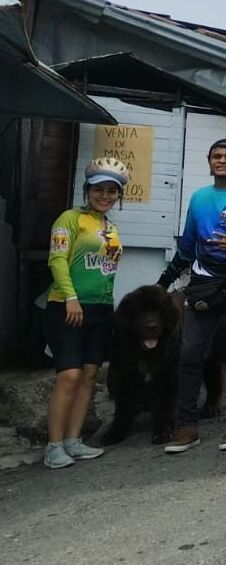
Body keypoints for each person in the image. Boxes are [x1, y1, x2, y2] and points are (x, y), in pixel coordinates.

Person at [159, 140, 226, 454]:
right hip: (204, 283)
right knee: (190, 353)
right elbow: (188, 247)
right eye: (217, 156)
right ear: (209, 161)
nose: (223, 160)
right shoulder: (199, 198)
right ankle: (187, 425)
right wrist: (161, 284)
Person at [42, 158, 128, 469]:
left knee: (90, 376)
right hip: (67, 306)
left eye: (112, 191)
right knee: (69, 375)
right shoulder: (69, 219)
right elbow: (57, 260)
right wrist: (71, 298)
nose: (105, 196)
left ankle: (73, 441)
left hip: (101, 308)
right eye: (99, 189)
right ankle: (53, 446)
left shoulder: (110, 227)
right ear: (87, 190)